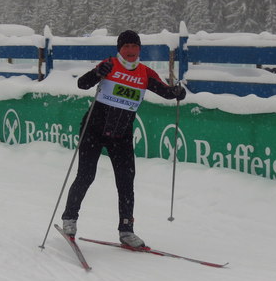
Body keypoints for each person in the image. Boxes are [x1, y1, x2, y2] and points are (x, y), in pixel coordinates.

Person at [61, 30, 186, 248]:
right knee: (86, 175)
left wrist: (177, 92)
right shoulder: (110, 64)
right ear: (119, 49)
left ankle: (126, 231)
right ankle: (69, 219)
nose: (130, 51)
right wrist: (98, 73)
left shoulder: (145, 73)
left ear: (139, 49)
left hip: (122, 135)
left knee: (126, 182)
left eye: (134, 46)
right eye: (126, 46)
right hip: (93, 130)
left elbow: (165, 92)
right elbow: (82, 83)